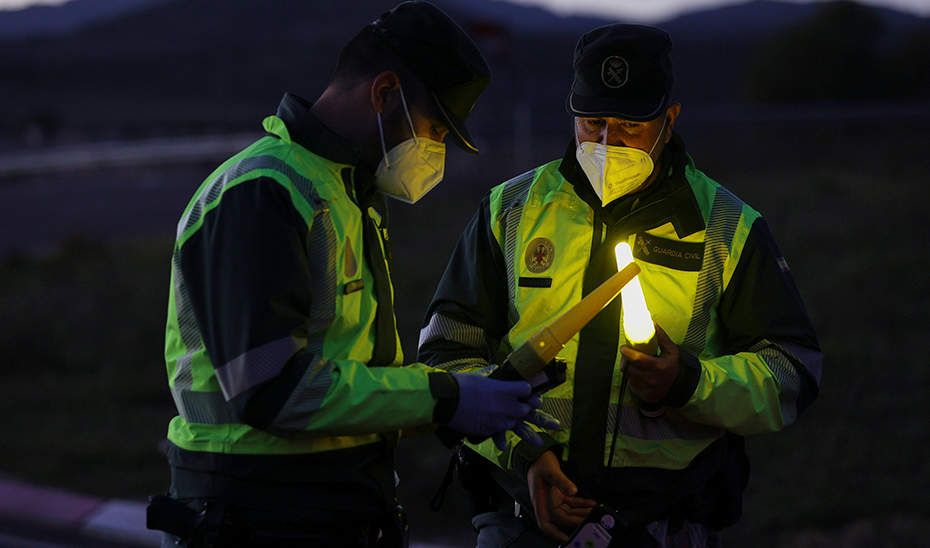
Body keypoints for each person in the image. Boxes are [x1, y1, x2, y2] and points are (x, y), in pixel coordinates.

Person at [147, 2, 553, 546]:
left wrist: (456, 398)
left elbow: (348, 367)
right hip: (253, 509)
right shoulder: (262, 193)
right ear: (384, 93)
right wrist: (445, 397)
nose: (434, 153)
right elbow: (270, 390)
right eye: (433, 129)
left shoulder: (345, 191)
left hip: (329, 505)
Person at [418, 24, 823, 547]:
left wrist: (688, 383)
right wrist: (524, 452)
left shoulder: (727, 226)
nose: (608, 141)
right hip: (519, 519)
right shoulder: (510, 211)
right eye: (593, 122)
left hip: (665, 524)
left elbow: (792, 372)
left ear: (669, 120)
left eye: (631, 125)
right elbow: (445, 354)